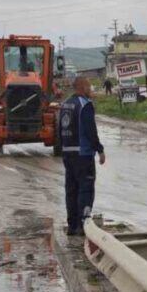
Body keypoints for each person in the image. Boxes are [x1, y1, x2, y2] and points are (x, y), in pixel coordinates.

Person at [59, 76, 106, 236]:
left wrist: (62, 150)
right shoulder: (85, 105)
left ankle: (72, 226)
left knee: (71, 190)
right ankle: (82, 224)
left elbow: (60, 130)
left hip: (68, 153)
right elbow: (90, 130)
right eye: (89, 86)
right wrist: (99, 149)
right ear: (82, 87)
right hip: (83, 154)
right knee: (85, 189)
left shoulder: (65, 104)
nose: (91, 89)